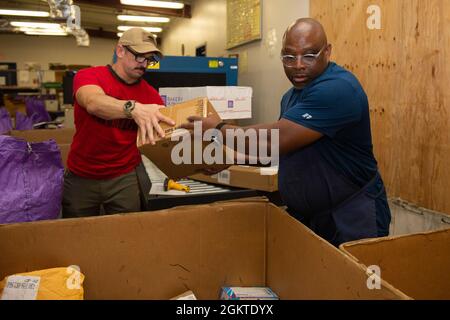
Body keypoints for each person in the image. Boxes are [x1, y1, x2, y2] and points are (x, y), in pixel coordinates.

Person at [181, 18, 391, 246]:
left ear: (327, 52)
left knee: (353, 280)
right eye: (289, 57)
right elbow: (283, 150)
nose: (298, 64)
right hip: (311, 217)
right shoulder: (291, 96)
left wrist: (219, 130)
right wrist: (230, 159)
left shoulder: (338, 89)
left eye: (309, 55)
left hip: (350, 216)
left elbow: (275, 140)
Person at [62, 28, 175, 218]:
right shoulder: (89, 76)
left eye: (149, 60)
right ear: (120, 50)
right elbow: (93, 103)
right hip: (81, 176)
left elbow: (166, 135)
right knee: (77, 236)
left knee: (127, 235)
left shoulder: (150, 95)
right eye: (139, 56)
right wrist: (133, 109)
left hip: (124, 178)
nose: (144, 64)